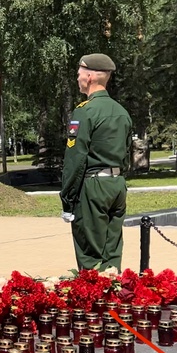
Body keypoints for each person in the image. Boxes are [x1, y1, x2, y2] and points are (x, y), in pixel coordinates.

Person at [60, 53, 133, 270]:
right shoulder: (121, 112)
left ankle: (95, 302)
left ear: (90, 76)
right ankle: (114, 299)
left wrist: (68, 199)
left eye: (80, 73)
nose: (77, 78)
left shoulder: (85, 111)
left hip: (93, 186)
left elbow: (75, 159)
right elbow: (126, 152)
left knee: (90, 256)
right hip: (117, 185)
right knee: (112, 255)